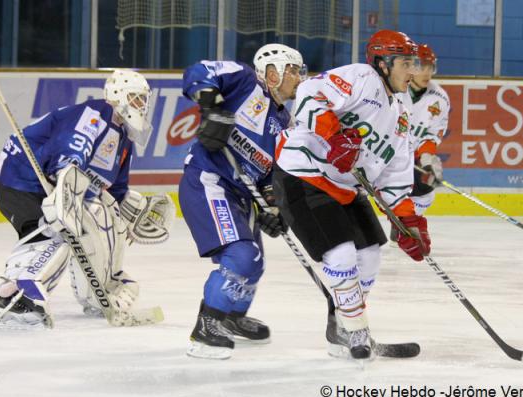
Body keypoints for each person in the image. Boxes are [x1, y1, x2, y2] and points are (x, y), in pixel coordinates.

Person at [272, 30, 431, 360]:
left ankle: (341, 328)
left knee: (370, 255)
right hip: (303, 175)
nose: (412, 71)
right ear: (382, 63)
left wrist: (409, 222)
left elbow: (393, 179)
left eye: (413, 63)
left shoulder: (401, 114)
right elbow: (308, 95)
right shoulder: (360, 76)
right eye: (405, 63)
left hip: (346, 186)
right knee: (341, 254)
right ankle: (356, 331)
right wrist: (333, 135)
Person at [0, 69, 175, 328]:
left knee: (101, 218)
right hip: (21, 178)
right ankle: (21, 297)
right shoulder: (95, 114)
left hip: (45, 186)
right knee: (57, 233)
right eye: (135, 98)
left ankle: (95, 292)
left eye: (143, 99)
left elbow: (115, 190)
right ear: (117, 95)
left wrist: (124, 214)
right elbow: (71, 153)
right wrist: (67, 186)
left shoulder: (124, 139)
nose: (141, 105)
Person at [179, 44, 306, 359]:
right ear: (273, 72)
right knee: (242, 254)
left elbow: (268, 176)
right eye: (294, 70)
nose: (299, 78)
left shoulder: (285, 123)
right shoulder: (246, 81)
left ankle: (232, 317)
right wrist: (211, 106)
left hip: (240, 194)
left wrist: (272, 206)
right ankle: (207, 327)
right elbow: (199, 71)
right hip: (209, 180)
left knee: (255, 262)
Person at [406, 43, 450, 216]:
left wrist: (426, 160)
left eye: (430, 67)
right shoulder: (395, 88)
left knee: (425, 192)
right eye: (422, 66)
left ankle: (404, 224)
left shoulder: (439, 98)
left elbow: (431, 134)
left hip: (410, 156)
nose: (427, 72)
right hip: (381, 153)